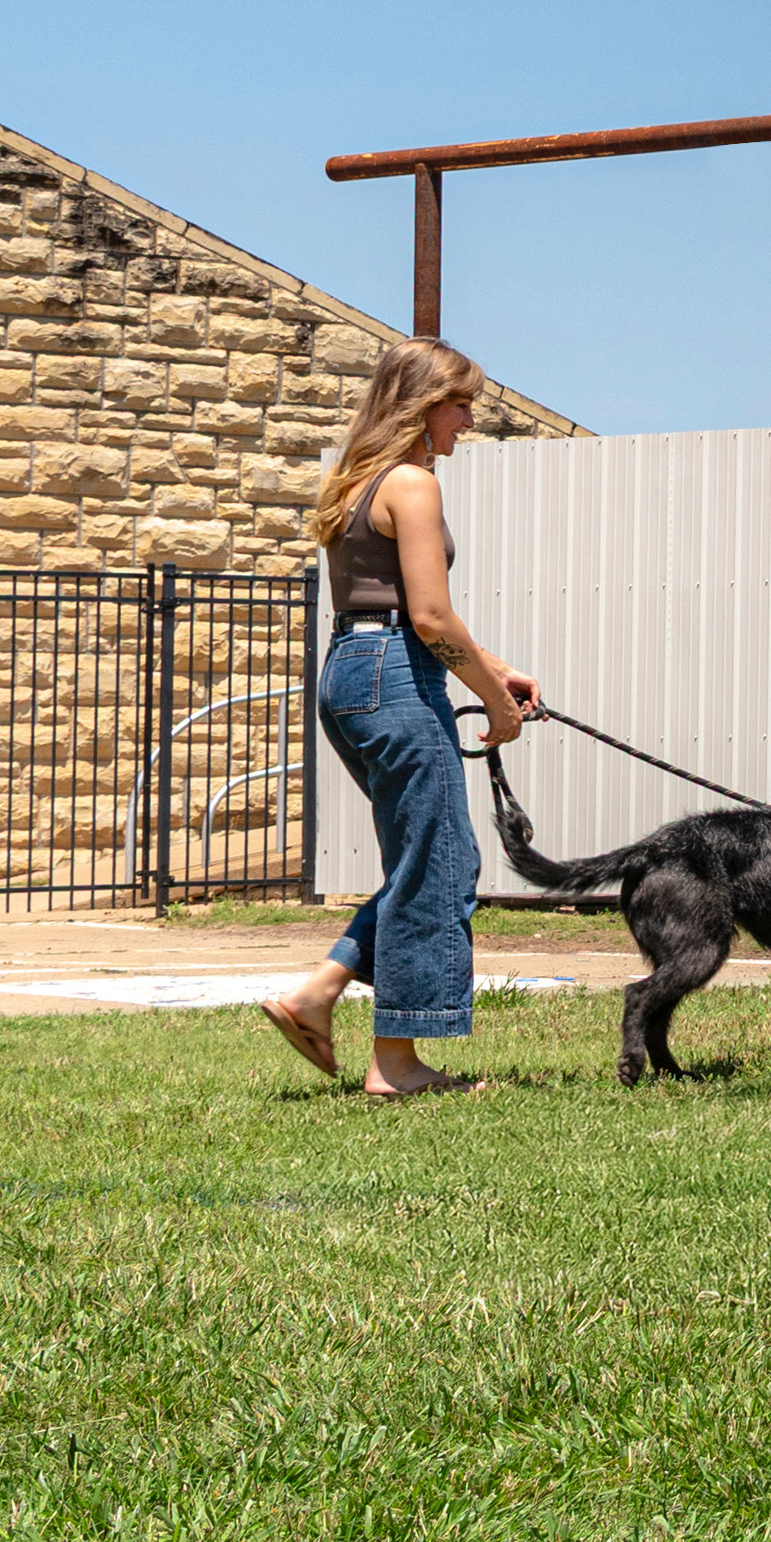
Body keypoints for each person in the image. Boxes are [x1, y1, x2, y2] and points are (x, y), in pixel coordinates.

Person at [261, 339, 540, 1097]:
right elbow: (427, 615)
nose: (469, 419)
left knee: (422, 857)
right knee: (443, 863)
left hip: (350, 669)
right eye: (460, 402)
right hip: (394, 675)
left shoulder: (354, 480)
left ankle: (318, 993)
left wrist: (493, 664)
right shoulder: (413, 483)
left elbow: (393, 607)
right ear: (423, 405)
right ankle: (398, 1064)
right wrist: (492, 699)